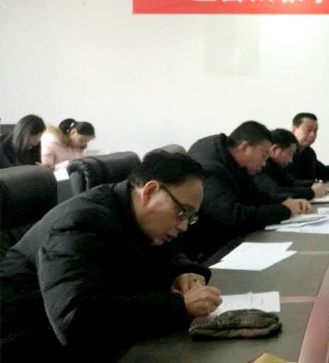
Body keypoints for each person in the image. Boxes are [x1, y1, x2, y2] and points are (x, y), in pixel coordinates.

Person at [0, 151, 222, 360]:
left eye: (190, 217)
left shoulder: (131, 213)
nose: (184, 226)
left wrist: (183, 272)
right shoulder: (82, 221)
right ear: (150, 191)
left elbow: (164, 253)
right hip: (26, 342)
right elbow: (77, 319)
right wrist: (178, 306)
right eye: (182, 212)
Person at [177, 121, 310, 260]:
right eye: (263, 155)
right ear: (245, 147)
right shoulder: (209, 168)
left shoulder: (234, 161)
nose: (264, 163)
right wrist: (285, 210)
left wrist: (286, 201)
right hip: (205, 250)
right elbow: (232, 216)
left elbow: (255, 196)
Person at [253, 128, 327, 201]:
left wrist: (313, 184)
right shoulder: (259, 165)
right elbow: (274, 191)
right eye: (290, 154)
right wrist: (311, 192)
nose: (291, 160)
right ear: (275, 150)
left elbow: (288, 182)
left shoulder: (275, 166)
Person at [287, 112, 329, 183]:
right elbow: (285, 183)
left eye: (315, 131)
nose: (312, 135)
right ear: (294, 129)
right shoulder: (284, 151)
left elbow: (322, 172)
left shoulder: (309, 152)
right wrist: (311, 187)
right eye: (308, 130)